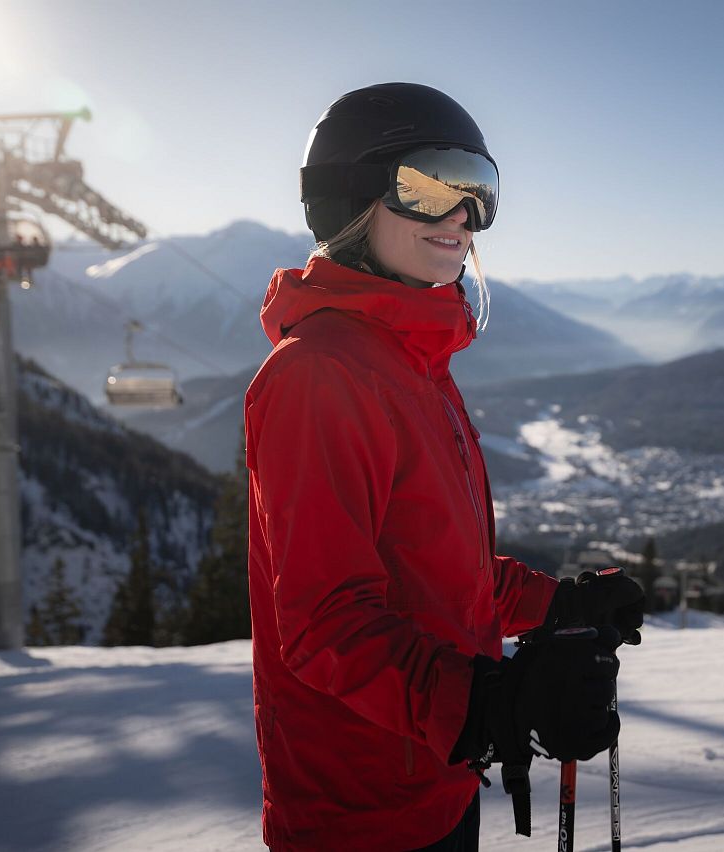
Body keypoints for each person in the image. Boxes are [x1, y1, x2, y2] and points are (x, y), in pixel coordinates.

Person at [244, 82, 644, 851]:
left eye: (479, 192)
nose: (462, 217)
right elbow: (327, 623)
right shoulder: (320, 374)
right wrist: (488, 706)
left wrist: (555, 605)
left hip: (438, 776)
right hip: (360, 812)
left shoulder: (416, 363)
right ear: (352, 195)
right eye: (429, 186)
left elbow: (439, 567)